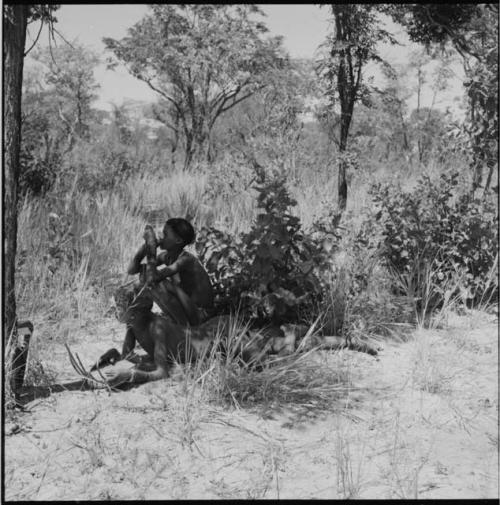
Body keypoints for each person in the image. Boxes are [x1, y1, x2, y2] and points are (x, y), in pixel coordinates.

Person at [128, 217, 214, 327]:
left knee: (160, 283)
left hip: (201, 314)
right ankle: (178, 323)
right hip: (189, 309)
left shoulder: (186, 260)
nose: (160, 236)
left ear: (178, 240)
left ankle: (184, 327)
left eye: (165, 234)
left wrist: (151, 246)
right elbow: (132, 270)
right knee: (145, 275)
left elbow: (152, 278)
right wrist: (144, 249)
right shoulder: (166, 257)